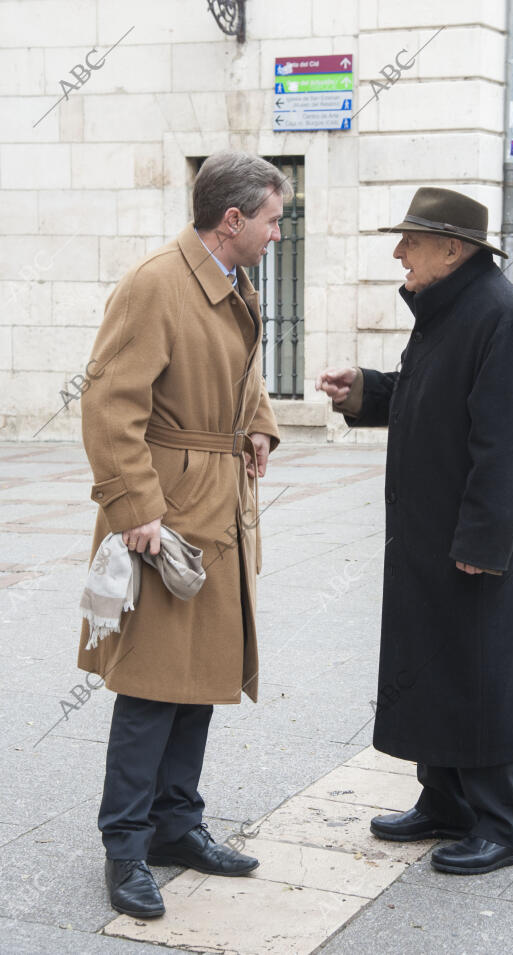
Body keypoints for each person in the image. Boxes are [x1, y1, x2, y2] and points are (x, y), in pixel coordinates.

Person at [316, 187, 513, 875]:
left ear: (453, 250)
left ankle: (506, 824)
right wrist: (363, 388)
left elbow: (507, 445)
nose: (399, 253)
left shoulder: (502, 318)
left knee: (483, 674)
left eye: (411, 242)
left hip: (476, 547)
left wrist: (483, 545)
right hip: (433, 539)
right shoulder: (451, 310)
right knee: (440, 667)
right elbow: (425, 393)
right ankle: (446, 802)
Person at [78, 152, 291, 917]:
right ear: (232, 220)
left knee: (198, 676)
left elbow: (242, 372)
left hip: (217, 504)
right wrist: (136, 509)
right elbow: (108, 404)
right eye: (272, 218)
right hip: (165, 514)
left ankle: (177, 823)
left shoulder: (234, 281)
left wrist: (258, 424)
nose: (277, 232)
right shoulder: (154, 284)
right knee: (150, 686)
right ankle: (126, 846)